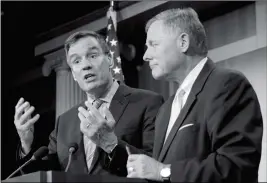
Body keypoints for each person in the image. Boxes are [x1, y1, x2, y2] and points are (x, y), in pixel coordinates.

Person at [126, 7, 263, 183]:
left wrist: (164, 172)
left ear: (183, 42)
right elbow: (151, 168)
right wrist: (109, 142)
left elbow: (236, 166)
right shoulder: (166, 109)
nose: (145, 56)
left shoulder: (227, 84)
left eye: (154, 44)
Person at [14, 31, 164, 176]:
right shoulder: (65, 121)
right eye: (76, 61)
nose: (85, 65)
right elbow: (46, 173)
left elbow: (155, 164)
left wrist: (111, 144)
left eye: (92, 55)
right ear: (73, 74)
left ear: (110, 59)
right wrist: (26, 143)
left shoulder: (147, 102)